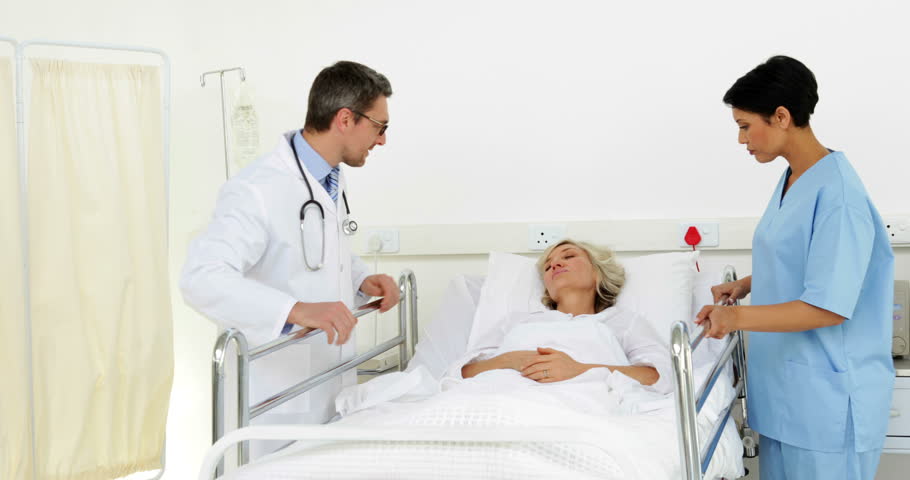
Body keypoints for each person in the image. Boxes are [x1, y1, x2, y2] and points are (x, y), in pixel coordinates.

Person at [180, 61, 401, 457]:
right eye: (380, 127)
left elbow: (315, 253)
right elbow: (201, 278)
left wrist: (360, 279)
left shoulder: (329, 179)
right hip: (276, 400)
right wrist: (296, 310)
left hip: (328, 380)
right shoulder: (256, 189)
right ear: (346, 119)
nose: (382, 140)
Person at [695, 55, 895, 479]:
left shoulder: (838, 196)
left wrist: (734, 318)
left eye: (745, 125)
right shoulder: (795, 178)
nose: (740, 139)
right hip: (789, 396)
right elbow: (803, 259)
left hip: (827, 405)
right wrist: (750, 284)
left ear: (782, 116)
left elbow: (828, 306)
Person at [460, 240, 670, 393]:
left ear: (598, 272)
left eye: (568, 256)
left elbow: (661, 378)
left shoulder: (624, 322)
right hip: (500, 401)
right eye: (548, 266)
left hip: (583, 408)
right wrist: (509, 360)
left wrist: (580, 370)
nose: (555, 265)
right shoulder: (516, 321)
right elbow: (462, 373)